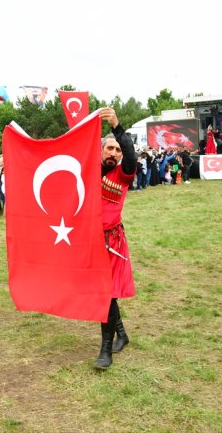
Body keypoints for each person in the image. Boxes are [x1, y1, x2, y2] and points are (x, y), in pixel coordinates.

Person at [95, 107, 137, 370]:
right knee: (106, 294)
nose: (114, 153)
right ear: (101, 151)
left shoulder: (124, 172)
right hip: (90, 241)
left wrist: (116, 128)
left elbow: (131, 152)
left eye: (117, 150)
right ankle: (122, 335)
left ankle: (105, 350)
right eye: (109, 149)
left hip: (112, 242)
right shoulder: (91, 172)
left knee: (106, 295)